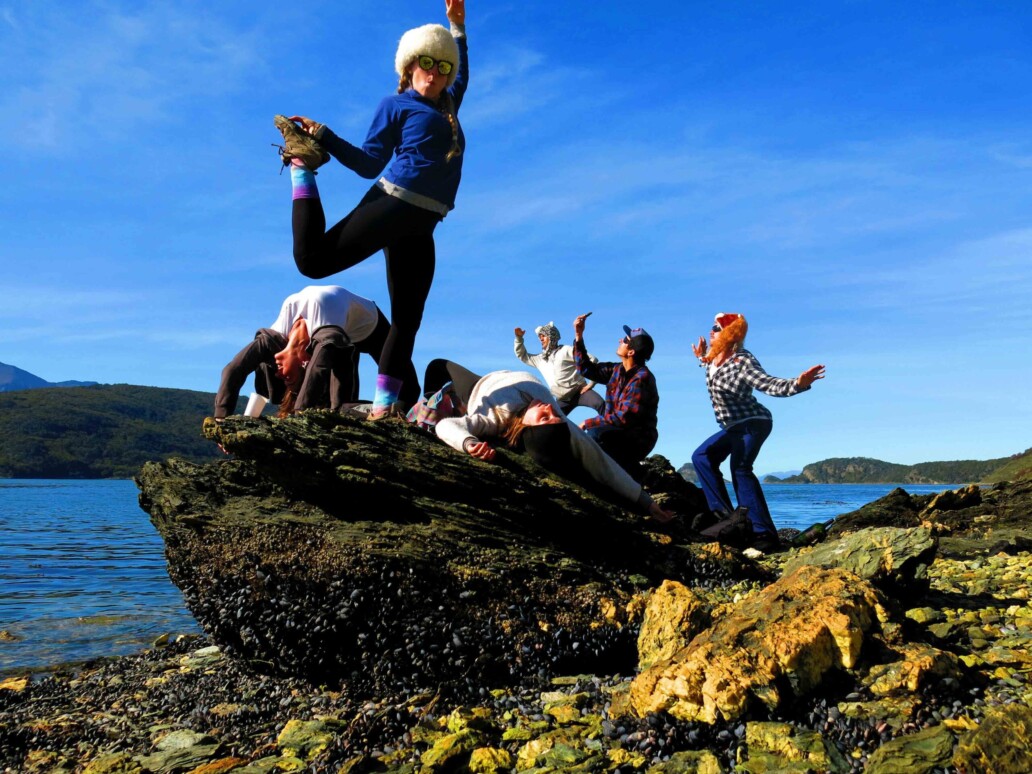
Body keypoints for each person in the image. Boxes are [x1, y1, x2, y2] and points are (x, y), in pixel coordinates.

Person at [272, 0, 469, 419]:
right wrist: (322, 136)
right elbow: (367, 163)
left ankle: (382, 411)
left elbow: (462, 70)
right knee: (311, 262)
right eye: (426, 63)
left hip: (422, 224)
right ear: (409, 67)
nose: (435, 73)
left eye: (443, 67)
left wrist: (456, 27)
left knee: (407, 321)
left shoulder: (448, 107)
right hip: (391, 202)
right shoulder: (395, 106)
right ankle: (301, 167)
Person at [421, 359, 674, 522]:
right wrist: (647, 501)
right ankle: (442, 401)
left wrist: (468, 443)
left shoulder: (494, 419)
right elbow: (603, 463)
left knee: (438, 366)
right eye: (554, 415)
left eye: (544, 417)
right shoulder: (563, 425)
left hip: (480, 387)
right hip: (503, 375)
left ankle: (426, 402)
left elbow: (447, 426)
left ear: (526, 428)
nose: (550, 409)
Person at [691, 312, 825, 552]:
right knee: (702, 457)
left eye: (717, 327)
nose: (711, 331)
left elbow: (767, 383)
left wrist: (798, 384)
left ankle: (763, 534)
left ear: (730, 334)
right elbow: (710, 364)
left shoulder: (742, 360)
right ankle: (726, 517)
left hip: (753, 422)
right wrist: (701, 356)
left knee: (740, 468)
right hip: (733, 427)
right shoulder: (714, 358)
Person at [214, 285, 418, 419]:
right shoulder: (323, 339)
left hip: (370, 327)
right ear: (305, 362)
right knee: (338, 406)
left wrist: (220, 419)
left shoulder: (278, 333)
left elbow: (234, 369)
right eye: (289, 379)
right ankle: (384, 415)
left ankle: (406, 414)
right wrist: (221, 419)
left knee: (410, 388)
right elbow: (318, 369)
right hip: (342, 342)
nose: (277, 374)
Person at [571, 314, 659, 480]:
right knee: (596, 434)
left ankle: (627, 473)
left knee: (596, 434)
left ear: (631, 351)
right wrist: (579, 335)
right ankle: (629, 472)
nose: (620, 340)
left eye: (625, 341)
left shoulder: (642, 378)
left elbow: (624, 417)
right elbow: (585, 369)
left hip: (637, 440)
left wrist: (587, 423)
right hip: (619, 432)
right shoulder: (617, 370)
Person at [514, 322, 604, 415]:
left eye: (543, 336)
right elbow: (523, 356)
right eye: (539, 336)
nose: (540, 339)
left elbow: (592, 359)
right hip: (562, 400)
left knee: (600, 404)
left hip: (580, 392)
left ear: (552, 336)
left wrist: (591, 384)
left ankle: (614, 428)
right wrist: (519, 338)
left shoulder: (566, 350)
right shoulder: (540, 359)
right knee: (554, 420)